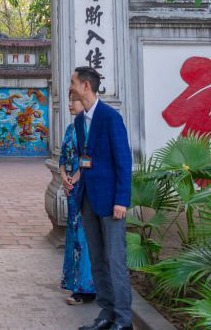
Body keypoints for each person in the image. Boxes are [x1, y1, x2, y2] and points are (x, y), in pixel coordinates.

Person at [69, 66, 133, 330]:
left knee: (116, 261)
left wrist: (121, 200)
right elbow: (87, 158)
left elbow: (123, 161)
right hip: (88, 200)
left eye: (73, 82)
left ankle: (123, 320)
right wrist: (76, 179)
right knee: (97, 260)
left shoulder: (110, 118)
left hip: (110, 202)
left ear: (85, 85)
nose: (70, 86)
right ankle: (106, 314)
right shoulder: (78, 121)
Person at [58, 93, 96, 305]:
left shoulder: (88, 129)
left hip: (84, 187)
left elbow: (88, 159)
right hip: (71, 186)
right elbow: (63, 157)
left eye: (74, 100)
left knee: (83, 237)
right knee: (73, 236)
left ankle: (86, 288)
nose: (70, 104)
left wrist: (74, 179)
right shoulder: (70, 128)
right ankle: (75, 284)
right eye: (70, 99)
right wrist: (64, 177)